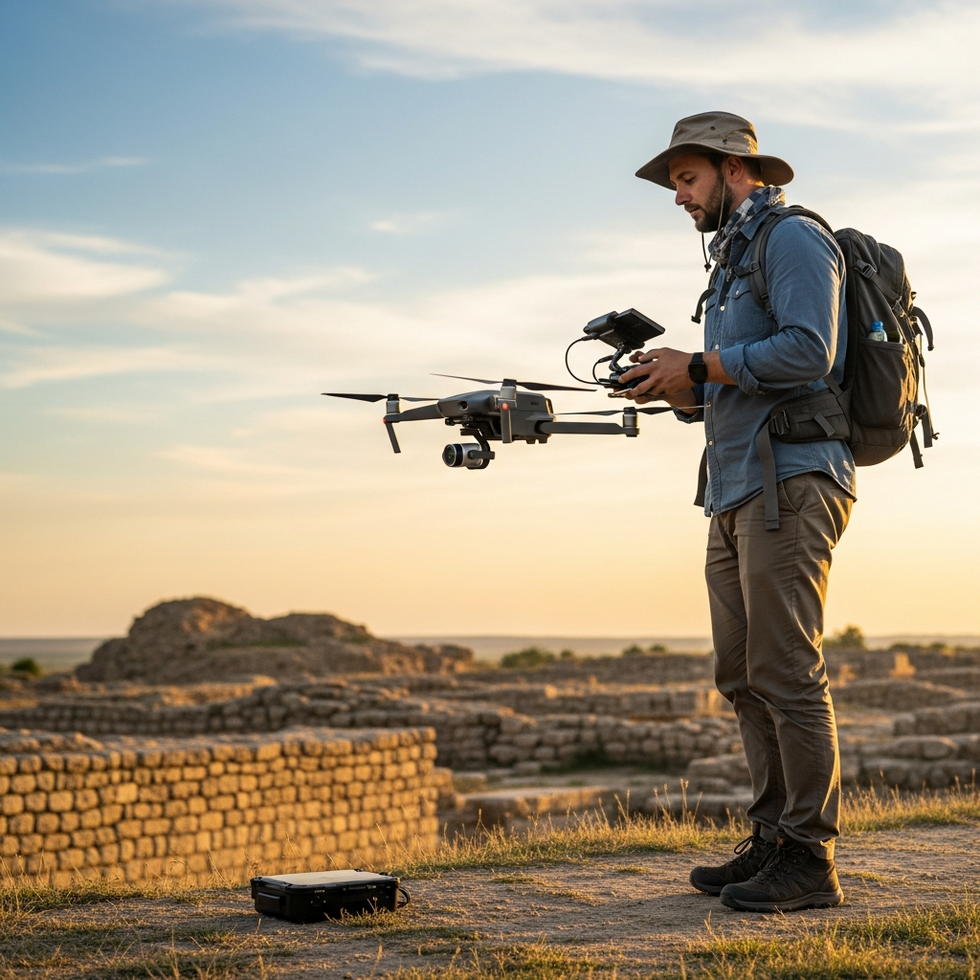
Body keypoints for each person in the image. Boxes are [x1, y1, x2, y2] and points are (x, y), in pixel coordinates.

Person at [619, 111, 855, 913]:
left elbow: (808, 350)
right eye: (675, 183)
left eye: (686, 179)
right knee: (742, 675)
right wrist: (680, 385)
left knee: (788, 673)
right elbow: (732, 380)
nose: (678, 197)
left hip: (792, 479)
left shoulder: (790, 238)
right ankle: (772, 839)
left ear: (733, 169)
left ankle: (810, 858)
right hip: (732, 486)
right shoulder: (730, 261)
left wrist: (705, 362)